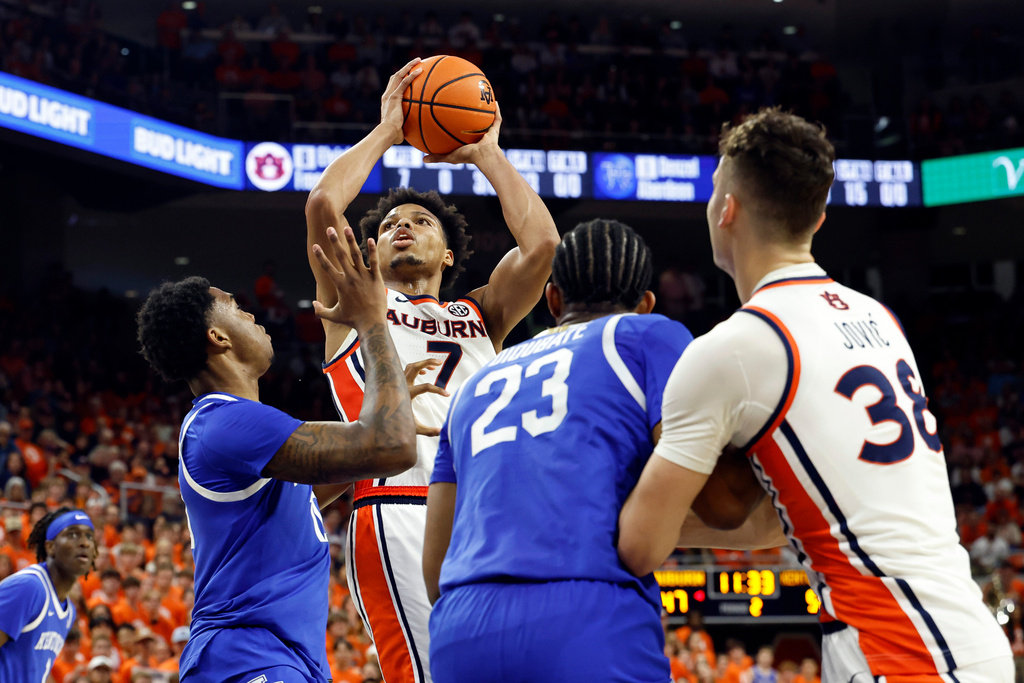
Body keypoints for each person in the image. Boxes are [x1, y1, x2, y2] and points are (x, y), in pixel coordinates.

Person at [617, 108, 1014, 682]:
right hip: (963, 636)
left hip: (897, 652)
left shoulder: (733, 347)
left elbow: (639, 549)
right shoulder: (879, 318)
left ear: (726, 209)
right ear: (820, 217)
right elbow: (782, 521)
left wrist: (595, 516)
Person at [305, 57, 559, 683]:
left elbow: (543, 247)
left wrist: (488, 154)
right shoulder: (357, 299)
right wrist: (390, 129)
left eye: (419, 222)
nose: (401, 229)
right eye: (390, 224)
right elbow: (323, 205)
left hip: (488, 508)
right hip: (398, 505)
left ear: (447, 251)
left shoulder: (481, 312)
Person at [134, 225, 417, 683]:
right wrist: (372, 322)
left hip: (278, 655)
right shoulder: (225, 423)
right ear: (218, 338)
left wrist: (394, 403)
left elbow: (304, 497)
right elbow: (393, 446)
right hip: (246, 653)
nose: (254, 316)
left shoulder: (236, 428)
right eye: (238, 309)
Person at [421, 219, 693, 682]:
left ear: (553, 301)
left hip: (460, 629)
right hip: (585, 616)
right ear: (645, 305)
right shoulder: (648, 336)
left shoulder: (477, 381)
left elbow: (434, 570)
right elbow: (688, 486)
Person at [0, 506, 98, 681]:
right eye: (73, 534)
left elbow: (37, 670)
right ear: (50, 547)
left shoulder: (69, 612)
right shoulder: (28, 587)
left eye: (89, 536)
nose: (84, 542)